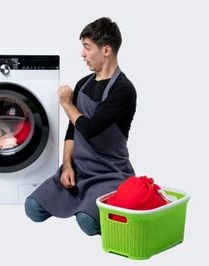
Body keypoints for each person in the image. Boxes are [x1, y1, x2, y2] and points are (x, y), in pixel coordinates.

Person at [24, 17, 136, 236]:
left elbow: (89, 128)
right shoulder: (83, 84)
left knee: (87, 222)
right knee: (32, 208)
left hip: (109, 174)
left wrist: (66, 103)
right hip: (79, 171)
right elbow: (72, 130)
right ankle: (84, 201)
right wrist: (67, 166)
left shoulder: (123, 89)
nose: (82, 54)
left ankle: (93, 206)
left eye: (87, 47)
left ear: (106, 50)